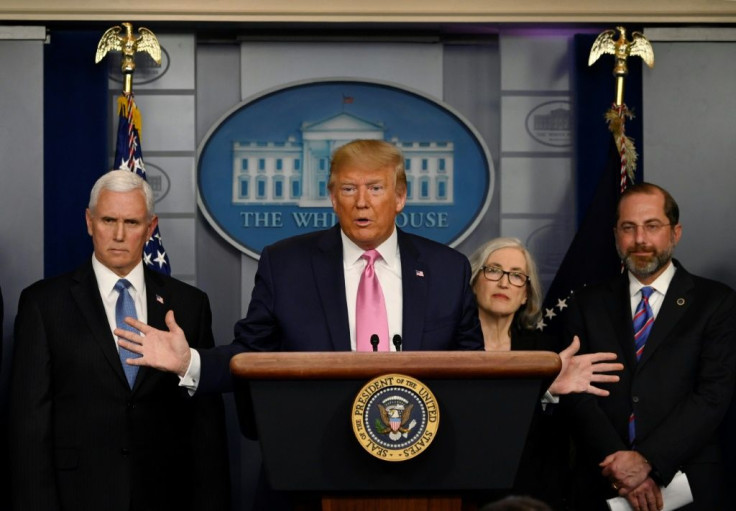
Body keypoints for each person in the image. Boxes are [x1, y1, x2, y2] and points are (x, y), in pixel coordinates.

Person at [116, 139, 483, 395]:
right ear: (331, 197)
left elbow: (472, 369)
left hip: (422, 453)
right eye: (349, 189)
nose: (362, 203)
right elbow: (252, 355)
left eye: (375, 188)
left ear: (400, 197)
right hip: (315, 451)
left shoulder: (447, 269)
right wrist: (189, 363)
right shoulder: (287, 265)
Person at [9, 170, 230, 511]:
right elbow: (28, 426)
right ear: (89, 221)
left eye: (132, 222)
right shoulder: (43, 304)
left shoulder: (188, 304)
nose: (118, 234)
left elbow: (206, 426)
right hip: (77, 496)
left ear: (151, 228)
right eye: (108, 220)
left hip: (167, 495)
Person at [561, 182, 736, 510]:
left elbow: (713, 396)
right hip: (600, 485)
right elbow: (577, 395)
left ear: (676, 232)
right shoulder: (586, 304)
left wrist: (647, 461)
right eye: (629, 228)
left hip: (688, 484)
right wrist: (621, 471)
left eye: (652, 226)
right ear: (616, 235)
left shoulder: (716, 302)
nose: (640, 239)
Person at [469, 237, 623, 508]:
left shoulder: (548, 354)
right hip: (464, 493)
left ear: (526, 294)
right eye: (493, 270)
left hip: (531, 493)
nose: (504, 282)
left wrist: (549, 394)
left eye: (517, 275)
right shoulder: (446, 350)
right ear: (474, 282)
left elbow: (556, 443)